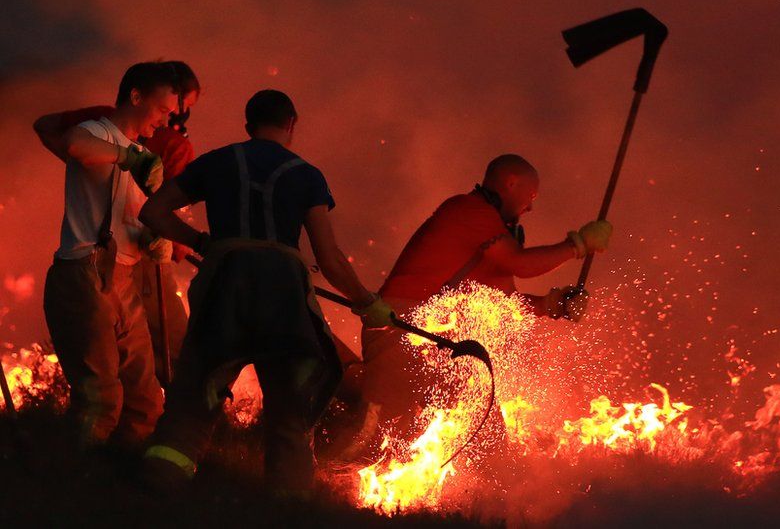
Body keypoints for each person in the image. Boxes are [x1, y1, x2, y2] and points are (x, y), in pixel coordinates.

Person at [138, 89, 393, 493]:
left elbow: (152, 212)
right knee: (290, 415)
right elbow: (328, 257)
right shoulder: (306, 175)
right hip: (285, 300)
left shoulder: (218, 162)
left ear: (248, 125)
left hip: (223, 289)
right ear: (291, 124)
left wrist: (204, 243)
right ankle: (286, 511)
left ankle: (156, 493)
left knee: (191, 403)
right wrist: (368, 303)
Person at [347, 153, 612, 456]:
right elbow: (520, 264)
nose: (532, 206)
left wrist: (554, 305)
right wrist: (577, 245)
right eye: (531, 195)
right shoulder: (469, 211)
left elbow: (505, 301)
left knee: (483, 424)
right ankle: (320, 481)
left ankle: (485, 496)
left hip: (428, 337)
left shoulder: (491, 234)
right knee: (374, 435)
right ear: (511, 183)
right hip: (400, 328)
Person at [34, 61, 201, 386]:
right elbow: (74, 144)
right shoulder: (162, 144)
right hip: (120, 265)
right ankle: (186, 418)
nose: (175, 118)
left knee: (134, 378)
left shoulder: (126, 136)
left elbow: (45, 126)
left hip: (127, 260)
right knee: (174, 350)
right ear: (140, 97)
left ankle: (142, 425)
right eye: (178, 108)